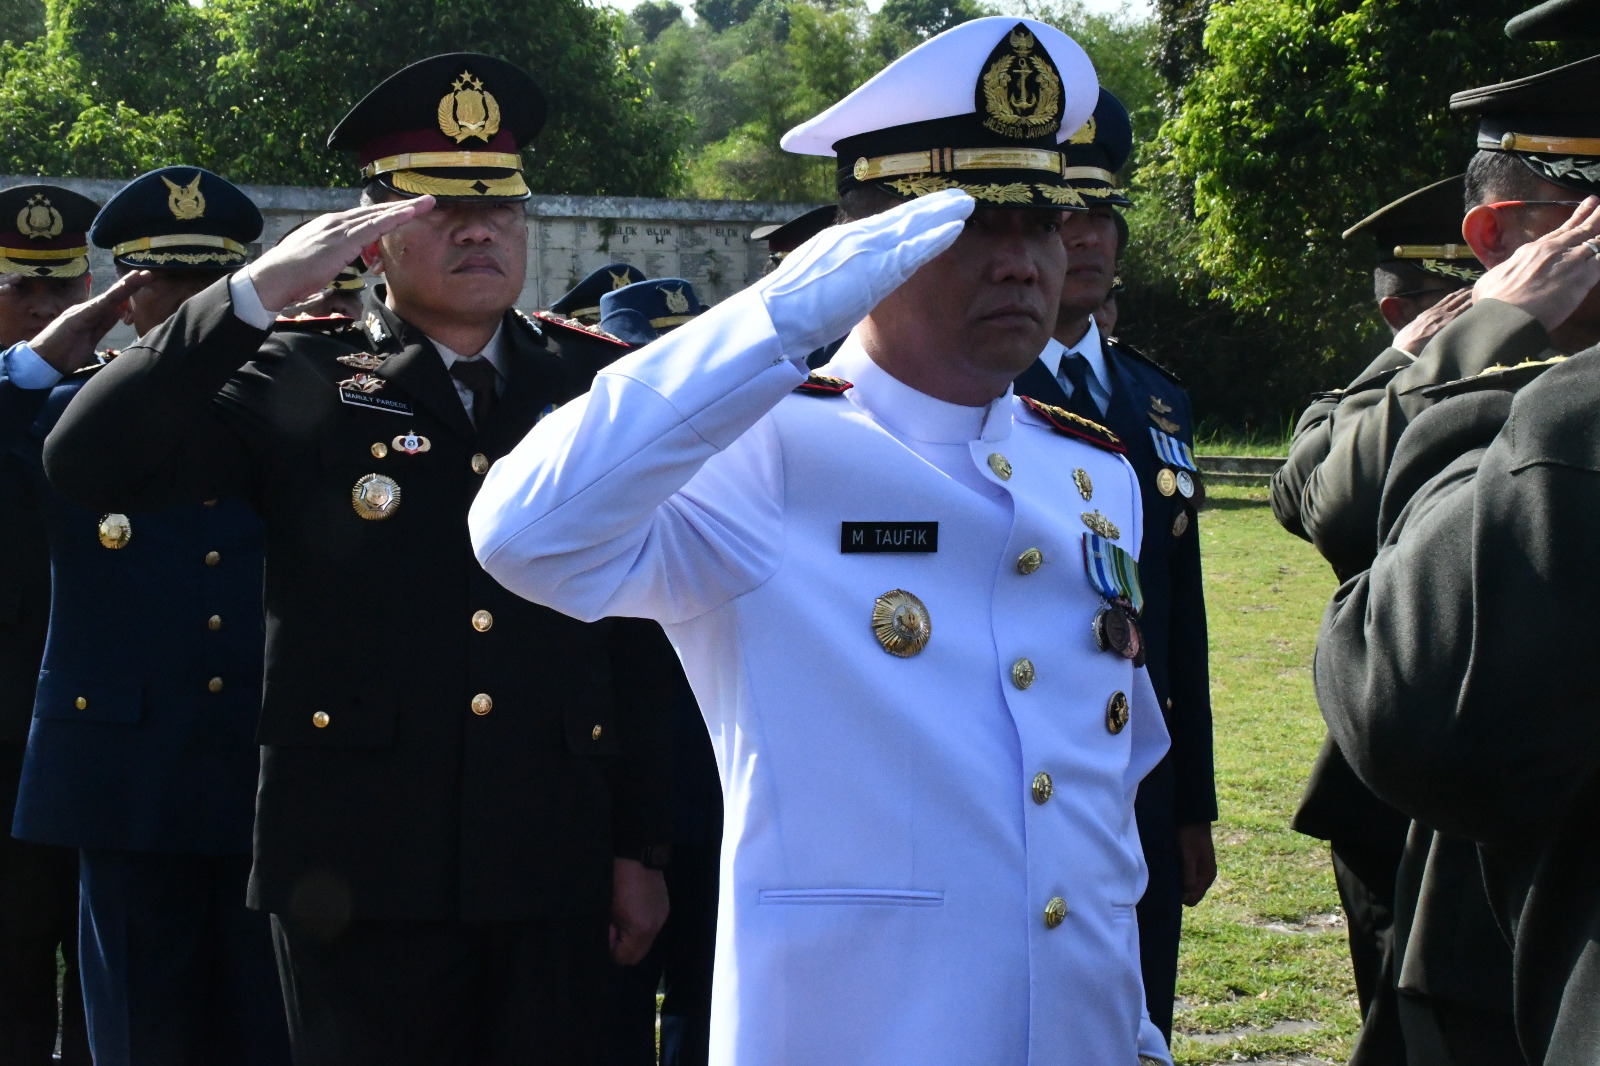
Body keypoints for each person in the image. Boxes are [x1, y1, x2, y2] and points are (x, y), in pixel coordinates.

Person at [471, 17, 1174, 1065]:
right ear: (867, 249)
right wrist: (776, 317)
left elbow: (1099, 796)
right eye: (970, 225)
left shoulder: (1092, 473)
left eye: (1040, 224)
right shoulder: (762, 448)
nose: (1022, 263)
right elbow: (524, 534)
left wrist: (1129, 1026)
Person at [41, 53, 676, 1065]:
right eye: (442, 208)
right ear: (373, 238)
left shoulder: (593, 384)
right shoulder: (297, 371)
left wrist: (641, 844)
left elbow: (641, 634)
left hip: (554, 854)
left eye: (500, 207)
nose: (478, 230)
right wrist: (252, 292)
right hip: (357, 873)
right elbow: (88, 458)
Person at [1307, 54, 1600, 1065]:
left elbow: (1392, 681)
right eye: (1584, 226)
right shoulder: (1504, 363)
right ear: (1495, 239)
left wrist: (1478, 352)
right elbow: (1324, 493)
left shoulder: (1556, 400)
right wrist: (1482, 337)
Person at [0, 168, 289, 1066]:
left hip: (265, 781)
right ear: (126, 299)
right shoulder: (60, 409)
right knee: (134, 1033)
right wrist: (43, 356)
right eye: (165, 284)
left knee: (268, 1032)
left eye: (213, 283)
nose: (192, 306)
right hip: (128, 788)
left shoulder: (297, 404)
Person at [1270, 175, 1492, 1066]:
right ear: (1404, 312)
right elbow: (1321, 499)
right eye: (1463, 299)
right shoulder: (1368, 410)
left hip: (1513, 775)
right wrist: (1414, 359)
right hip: (1393, 792)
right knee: (1400, 1029)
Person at [1010, 87, 1216, 1042]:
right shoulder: (981, 391)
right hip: (1032, 776)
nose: (1085, 235)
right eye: (1060, 214)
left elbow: (1180, 620)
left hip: (1142, 779)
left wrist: (1190, 803)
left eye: (1101, 213)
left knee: (1142, 1011)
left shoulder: (1157, 400)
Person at [590, 279, 722, 1066]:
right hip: (614, 824)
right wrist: (635, 850)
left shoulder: (732, 477)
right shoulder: (591, 502)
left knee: (714, 1024)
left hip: (721, 812)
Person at [0, 182, 95, 1066]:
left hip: (104, 745)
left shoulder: (122, 404)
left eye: (60, 287)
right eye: (19, 290)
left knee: (110, 996)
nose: (42, 309)